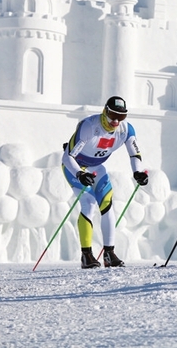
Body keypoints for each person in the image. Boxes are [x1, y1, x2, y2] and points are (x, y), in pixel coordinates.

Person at [61, 96, 148, 269]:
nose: (116, 121)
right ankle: (86, 256)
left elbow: (134, 153)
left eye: (121, 117)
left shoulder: (125, 130)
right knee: (89, 203)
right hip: (75, 168)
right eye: (112, 115)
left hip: (97, 168)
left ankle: (109, 253)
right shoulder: (89, 126)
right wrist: (79, 173)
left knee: (107, 203)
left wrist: (137, 172)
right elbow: (67, 156)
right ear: (104, 111)